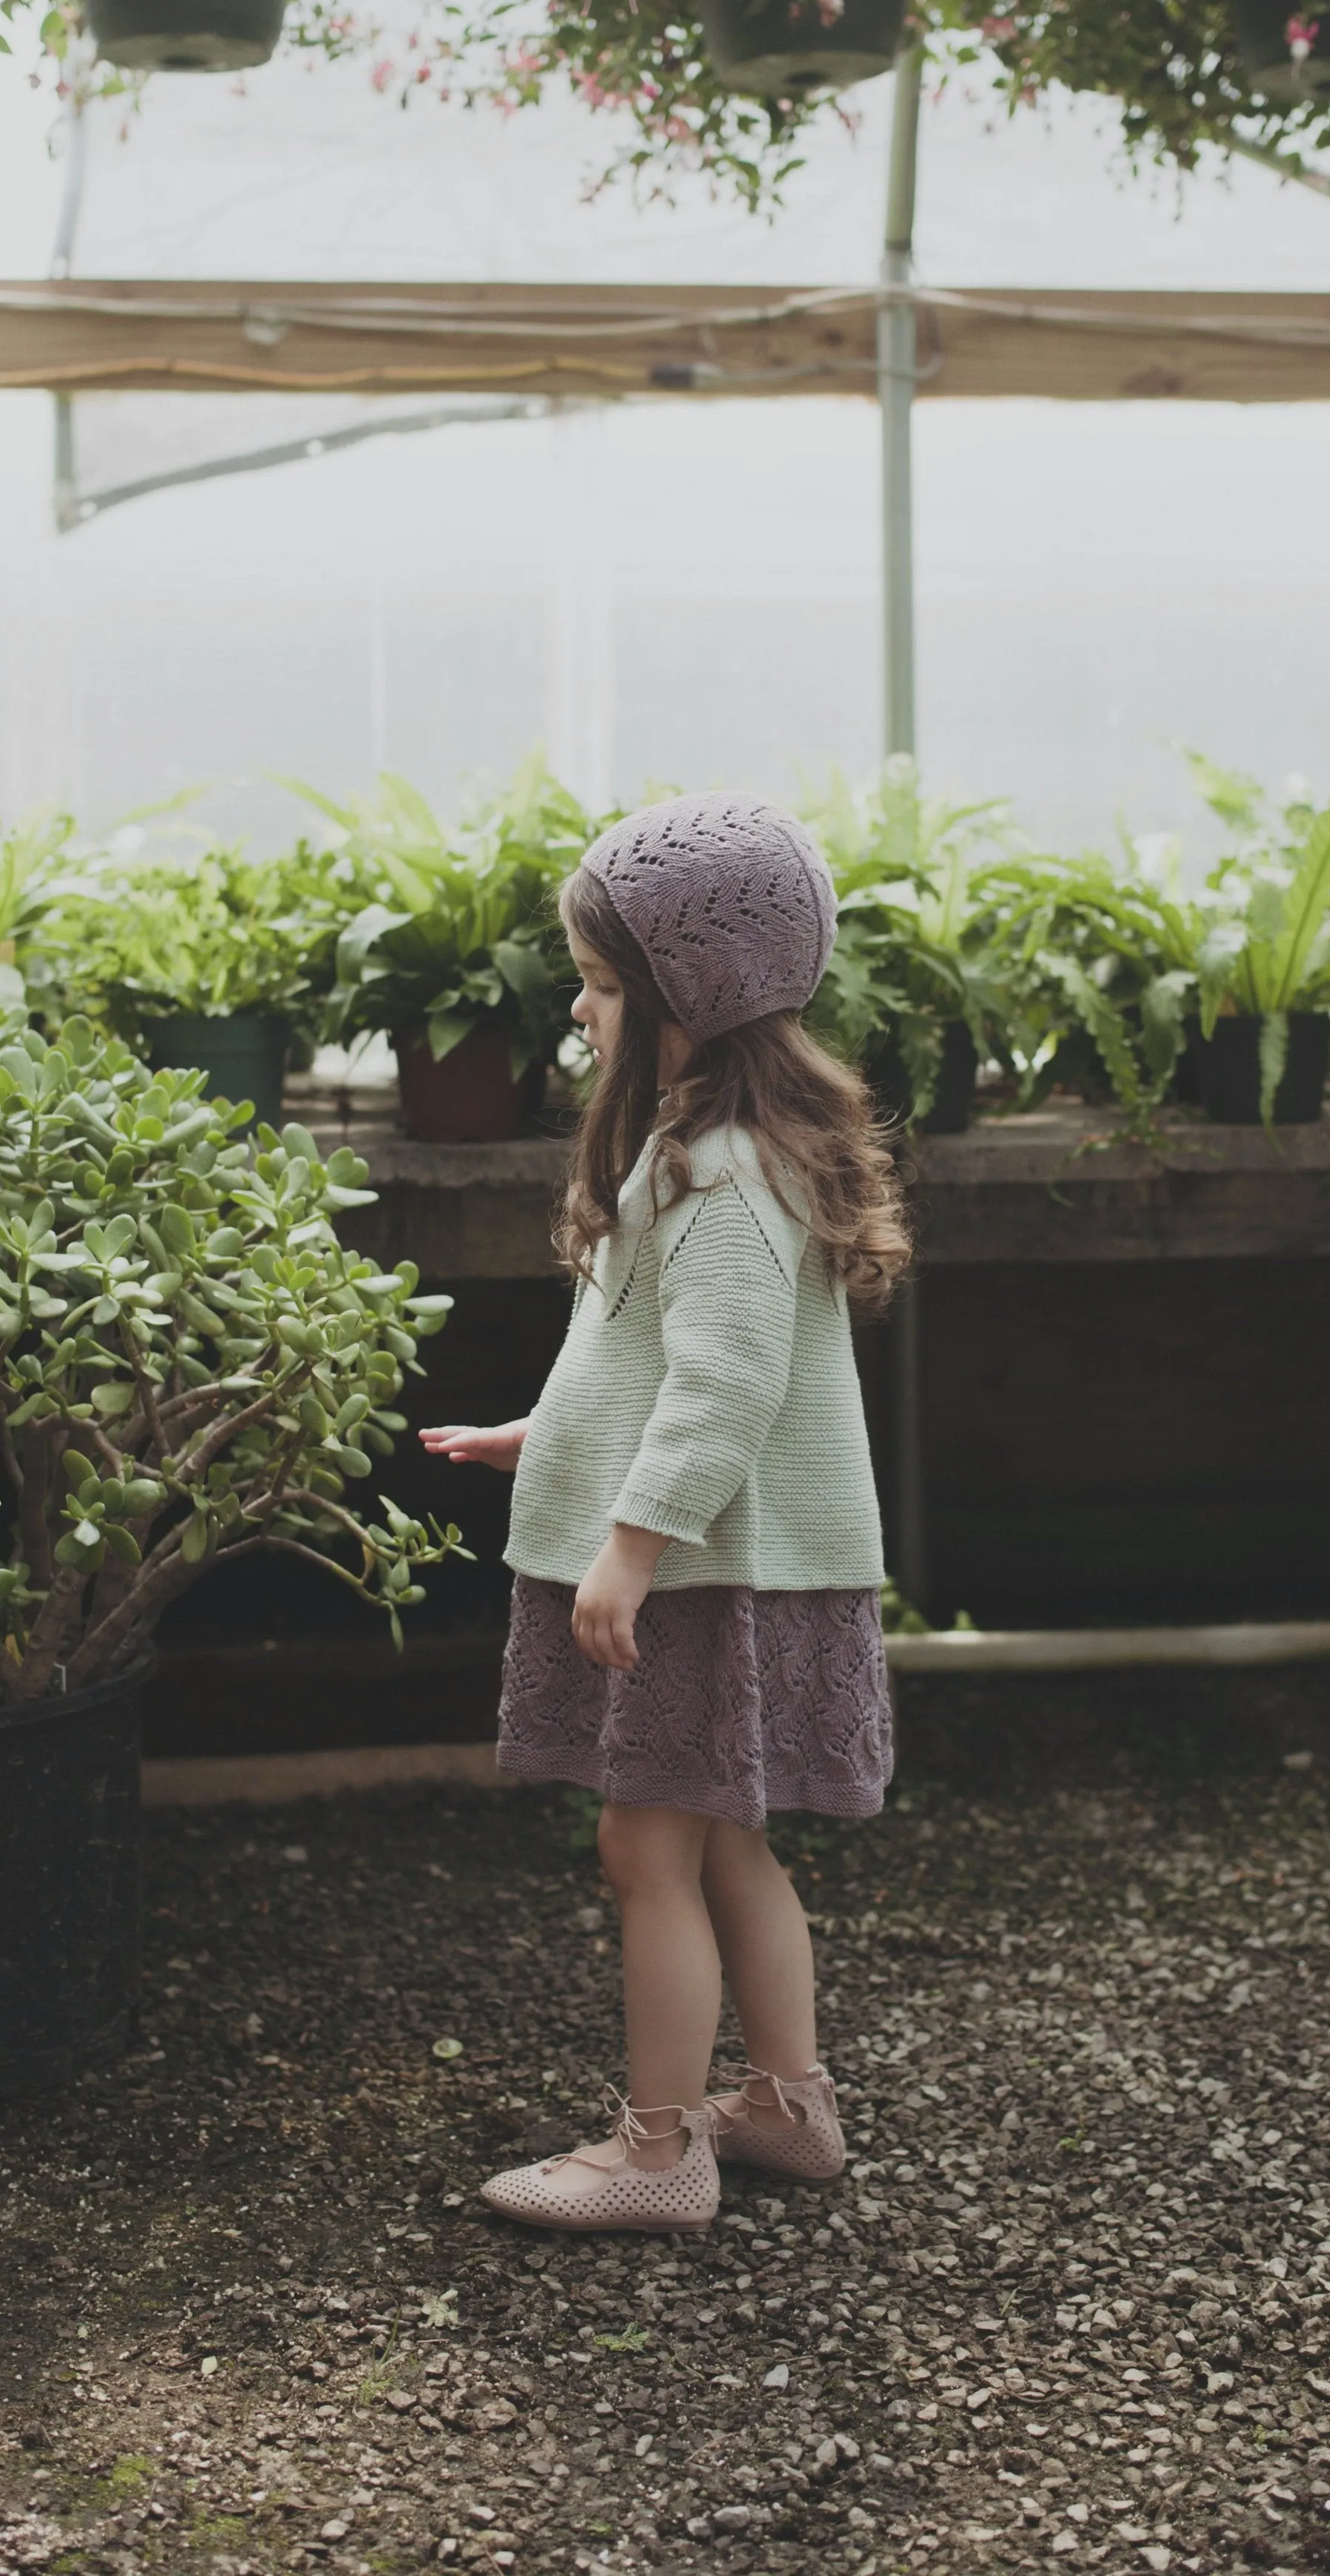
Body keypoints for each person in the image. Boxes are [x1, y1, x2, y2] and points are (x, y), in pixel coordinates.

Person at [420, 790, 908, 2235]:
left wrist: (627, 1542)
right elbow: (651, 1363)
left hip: (704, 1573)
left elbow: (723, 1391)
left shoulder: (718, 1176)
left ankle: (657, 2149)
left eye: (606, 983)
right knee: (725, 1840)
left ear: (692, 998)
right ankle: (788, 2101)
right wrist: (551, 1437)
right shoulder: (720, 1151)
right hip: (733, 1561)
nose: (581, 1008)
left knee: (648, 1852)